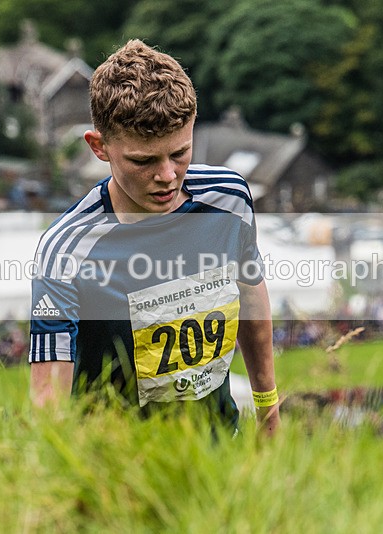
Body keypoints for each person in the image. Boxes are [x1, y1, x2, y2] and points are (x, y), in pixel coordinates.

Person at [28, 39, 279, 434]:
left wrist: (268, 410)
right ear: (99, 147)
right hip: (117, 465)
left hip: (219, 454)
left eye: (180, 153)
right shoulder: (66, 248)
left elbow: (251, 294)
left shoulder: (230, 199)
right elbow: (48, 397)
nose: (166, 176)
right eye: (143, 160)